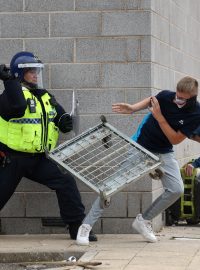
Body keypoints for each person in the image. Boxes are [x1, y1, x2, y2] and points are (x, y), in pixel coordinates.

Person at [76, 76, 200, 245]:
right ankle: (86, 226)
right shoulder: (166, 96)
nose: (177, 100)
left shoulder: (195, 113)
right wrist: (133, 108)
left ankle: (144, 220)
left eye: (182, 99)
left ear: (192, 99)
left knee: (176, 189)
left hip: (164, 150)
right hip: (141, 145)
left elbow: (175, 139)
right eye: (177, 96)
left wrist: (159, 117)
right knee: (112, 185)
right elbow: (151, 100)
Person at [0, 51, 97, 241]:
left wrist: (65, 120)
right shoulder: (8, 97)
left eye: (37, 71)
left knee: (65, 181)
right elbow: (18, 107)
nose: (36, 75)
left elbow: (59, 116)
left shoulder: (45, 97)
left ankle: (76, 227)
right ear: (19, 74)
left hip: (36, 159)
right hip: (11, 159)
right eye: (31, 71)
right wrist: (9, 81)